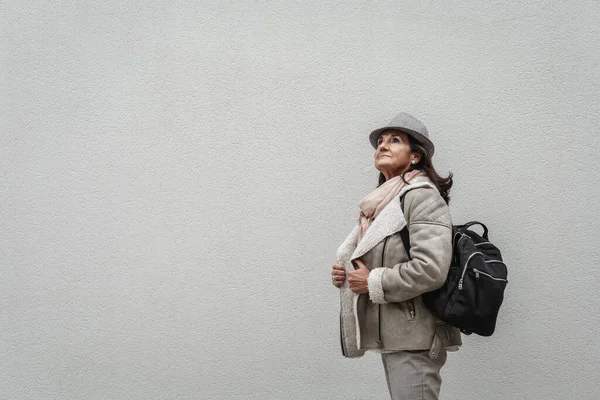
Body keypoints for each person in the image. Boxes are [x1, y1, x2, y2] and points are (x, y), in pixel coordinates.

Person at [331, 112, 461, 400]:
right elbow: (384, 256)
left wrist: (373, 281)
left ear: (415, 156)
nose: (382, 146)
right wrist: (349, 273)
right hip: (397, 334)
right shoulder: (382, 204)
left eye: (395, 140)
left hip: (416, 336)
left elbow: (431, 268)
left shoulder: (422, 197)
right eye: (380, 141)